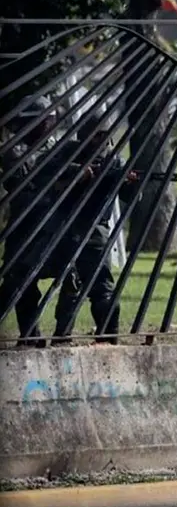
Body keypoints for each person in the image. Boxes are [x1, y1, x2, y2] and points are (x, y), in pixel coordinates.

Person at [0, 95, 77, 347]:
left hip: (53, 225)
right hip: (24, 224)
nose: (50, 124)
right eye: (45, 120)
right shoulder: (14, 150)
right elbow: (26, 179)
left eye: (51, 119)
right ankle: (29, 334)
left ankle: (63, 334)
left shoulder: (58, 146)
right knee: (19, 283)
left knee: (72, 276)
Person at [51, 120, 135, 346]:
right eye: (97, 136)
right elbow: (51, 187)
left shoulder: (114, 161)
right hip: (66, 227)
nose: (102, 142)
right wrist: (80, 177)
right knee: (72, 284)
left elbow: (131, 196)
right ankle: (62, 334)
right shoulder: (69, 155)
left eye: (105, 136)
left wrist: (130, 182)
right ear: (85, 137)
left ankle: (108, 335)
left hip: (96, 229)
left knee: (103, 286)